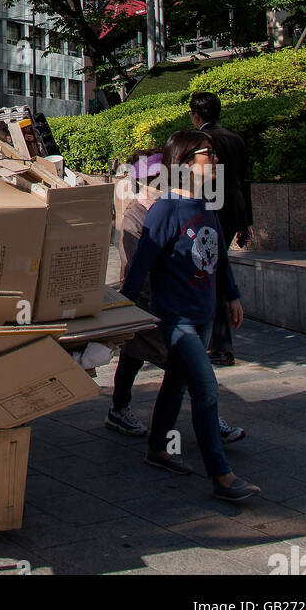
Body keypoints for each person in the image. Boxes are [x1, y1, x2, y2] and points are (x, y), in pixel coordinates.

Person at [121, 130, 259, 502]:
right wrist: (121, 316)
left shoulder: (205, 205)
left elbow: (221, 258)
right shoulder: (165, 209)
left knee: (177, 383)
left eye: (214, 154)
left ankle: (158, 449)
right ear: (183, 162)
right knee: (206, 388)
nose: (214, 160)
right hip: (175, 317)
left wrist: (231, 296)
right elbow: (139, 268)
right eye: (207, 153)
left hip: (204, 314)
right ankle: (222, 475)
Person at [106, 162, 245, 445]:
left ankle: (164, 437)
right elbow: (136, 265)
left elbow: (215, 254)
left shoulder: (183, 206)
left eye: (162, 176)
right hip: (151, 304)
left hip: (172, 304)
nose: (159, 182)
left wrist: (228, 294)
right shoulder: (137, 215)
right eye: (154, 178)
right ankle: (122, 410)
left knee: (177, 368)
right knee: (138, 359)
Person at [188, 91, 253, 366]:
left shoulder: (203, 142)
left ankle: (220, 345)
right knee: (217, 270)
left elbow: (199, 182)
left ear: (196, 114)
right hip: (233, 211)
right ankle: (218, 344)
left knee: (210, 275)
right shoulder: (236, 139)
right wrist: (246, 221)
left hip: (210, 212)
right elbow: (245, 181)